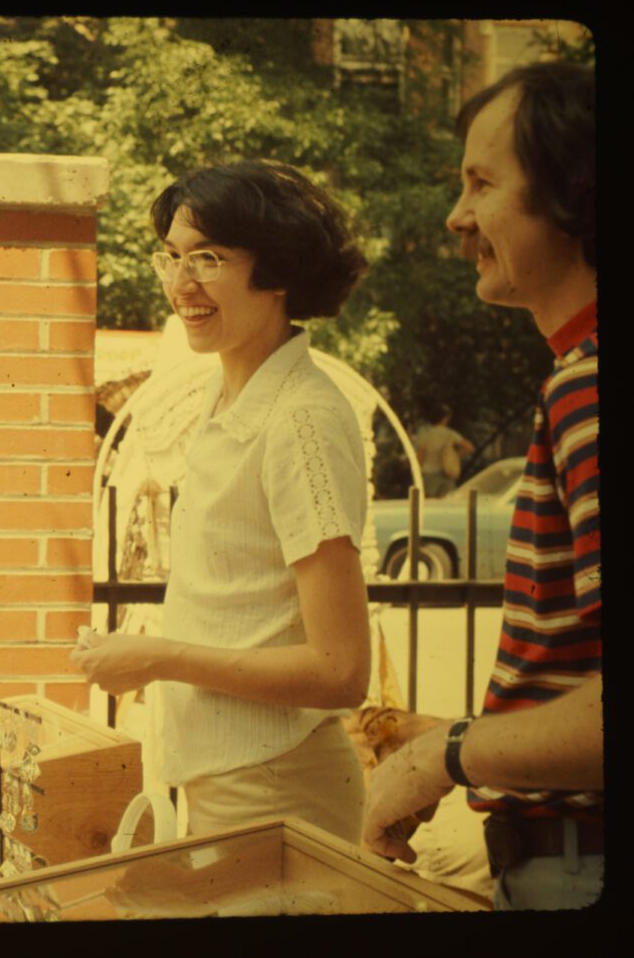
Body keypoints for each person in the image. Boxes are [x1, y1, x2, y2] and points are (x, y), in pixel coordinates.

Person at [72, 159, 372, 843]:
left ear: (279, 272)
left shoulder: (300, 418)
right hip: (225, 779)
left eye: (208, 259)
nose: (181, 284)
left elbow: (341, 669)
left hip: (276, 785)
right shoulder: (225, 389)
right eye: (171, 258)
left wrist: (159, 658)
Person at [363, 61, 601, 911]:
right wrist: (466, 738)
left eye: (482, 183)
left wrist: (445, 754)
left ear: (574, 192)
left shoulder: (590, 388)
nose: (457, 217)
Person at [413, 400, 475, 497]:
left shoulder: (426, 435)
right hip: (447, 474)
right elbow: (470, 448)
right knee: (445, 504)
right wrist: (456, 455)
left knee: (429, 505)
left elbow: (420, 457)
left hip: (429, 474)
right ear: (444, 419)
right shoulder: (450, 434)